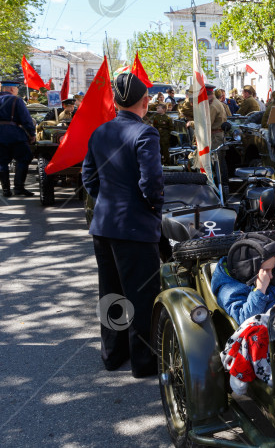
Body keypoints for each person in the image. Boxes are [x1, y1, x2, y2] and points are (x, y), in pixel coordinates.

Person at [82, 73, 163, 378]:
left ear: (114, 102)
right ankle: (144, 363)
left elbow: (89, 178)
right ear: (145, 102)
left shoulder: (100, 132)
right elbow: (152, 183)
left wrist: (108, 203)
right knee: (141, 296)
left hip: (104, 224)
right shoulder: (146, 134)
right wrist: (153, 209)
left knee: (111, 291)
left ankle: (113, 354)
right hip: (135, 227)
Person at [211, 234, 275, 325]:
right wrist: (260, 290)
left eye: (272, 269)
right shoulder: (229, 291)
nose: (271, 275)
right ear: (248, 270)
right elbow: (246, 319)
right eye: (266, 270)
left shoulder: (265, 277)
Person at [0, 80, 36, 197]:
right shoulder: (16, 100)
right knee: (24, 158)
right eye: (16, 89)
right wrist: (32, 134)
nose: (17, 91)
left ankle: (6, 190)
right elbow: (26, 120)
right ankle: (19, 188)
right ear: (12, 89)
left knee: (2, 162)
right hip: (15, 136)